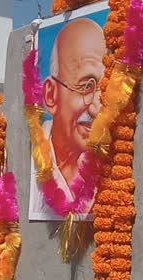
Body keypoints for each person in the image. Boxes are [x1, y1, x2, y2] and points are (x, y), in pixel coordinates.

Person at [31, 17, 106, 219]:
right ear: (51, 96)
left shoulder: (112, 166)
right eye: (86, 86)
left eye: (105, 89)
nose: (98, 108)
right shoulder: (28, 165)